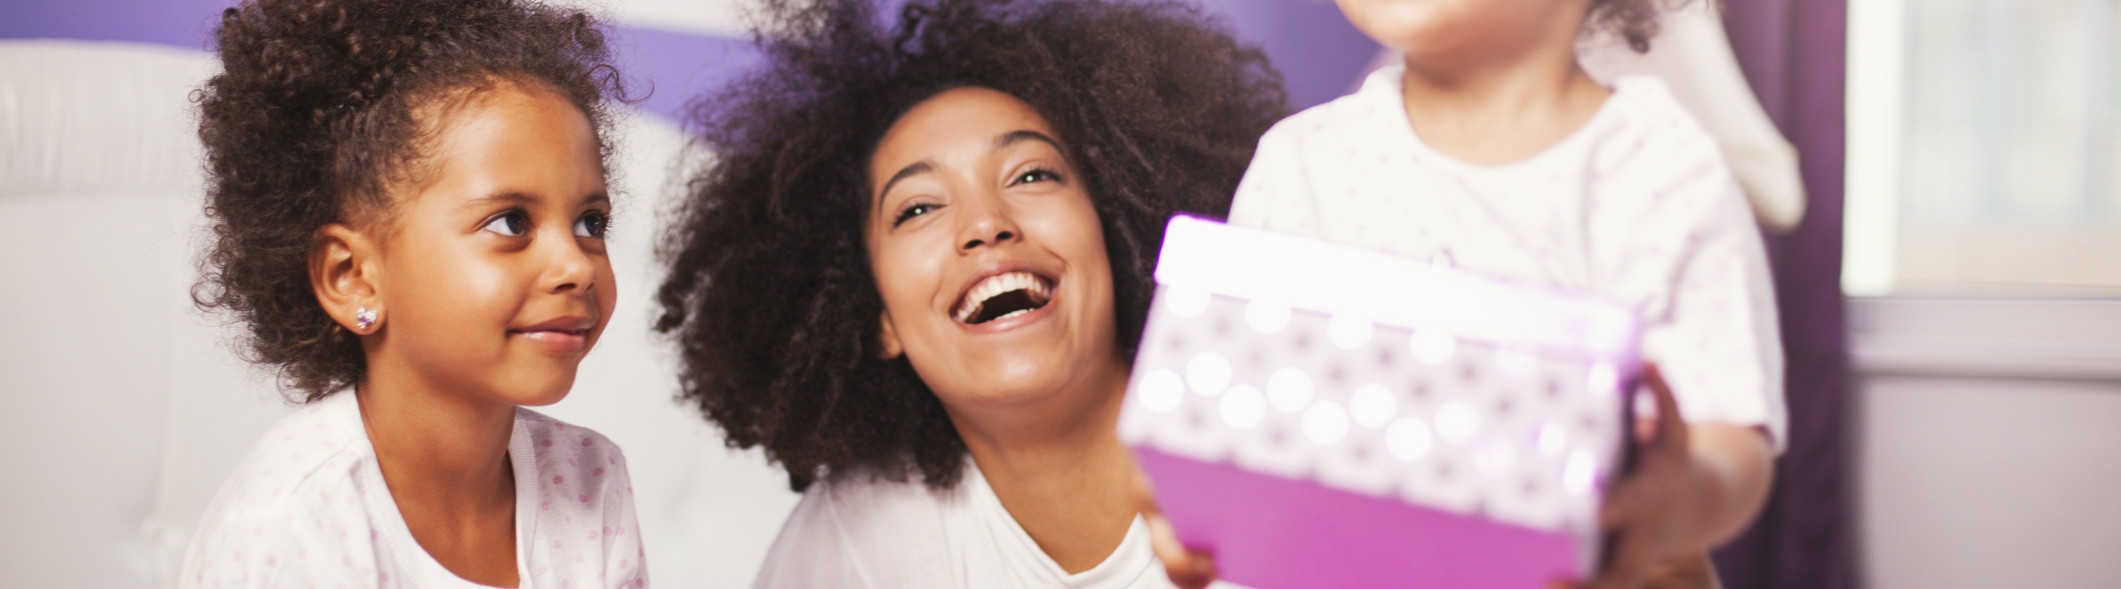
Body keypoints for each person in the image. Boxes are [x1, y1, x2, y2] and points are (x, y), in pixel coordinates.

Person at [654, 0, 1287, 586]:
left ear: (1117, 233)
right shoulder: (855, 545)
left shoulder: (1272, 443)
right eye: (919, 208)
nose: (986, 224)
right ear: (875, 318)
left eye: (1032, 174)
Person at [1218, 0, 1785, 587]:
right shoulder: (1299, 163)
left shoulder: (1657, 174)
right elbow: (1233, 425)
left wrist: (1677, 499)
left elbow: (1728, 437)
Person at [180, 0, 645, 586]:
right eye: (510, 222)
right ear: (353, 277)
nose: (575, 265)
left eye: (590, 223)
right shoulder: (289, 525)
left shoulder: (588, 479)